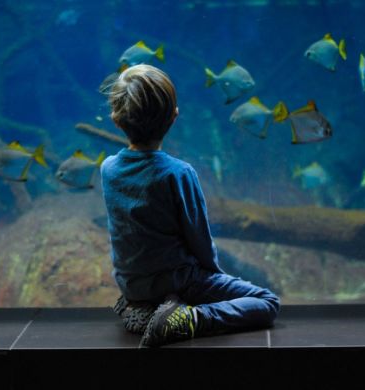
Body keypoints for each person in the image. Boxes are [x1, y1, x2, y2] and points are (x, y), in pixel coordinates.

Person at [100, 64, 280, 347]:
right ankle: (191, 318)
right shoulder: (178, 173)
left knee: (161, 285)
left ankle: (142, 309)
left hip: (132, 285)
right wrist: (214, 275)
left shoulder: (108, 168)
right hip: (179, 281)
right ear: (174, 117)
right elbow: (199, 237)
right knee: (266, 301)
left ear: (115, 119)